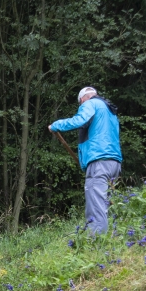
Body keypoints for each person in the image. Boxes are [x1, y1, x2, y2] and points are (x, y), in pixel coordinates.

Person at [49, 87, 123, 234]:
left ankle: (97, 244)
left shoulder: (90, 104)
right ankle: (112, 239)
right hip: (114, 162)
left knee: (96, 205)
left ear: (82, 99)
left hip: (99, 161)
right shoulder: (110, 111)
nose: (81, 106)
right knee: (108, 203)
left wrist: (56, 125)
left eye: (80, 104)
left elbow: (80, 120)